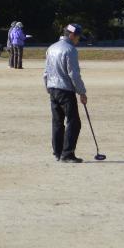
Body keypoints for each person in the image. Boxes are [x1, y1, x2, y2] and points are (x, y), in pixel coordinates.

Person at [43, 24, 88, 162]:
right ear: (72, 35)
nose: (78, 40)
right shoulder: (70, 50)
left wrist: (48, 87)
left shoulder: (51, 48)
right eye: (78, 37)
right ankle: (67, 153)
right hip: (65, 90)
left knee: (57, 121)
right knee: (74, 122)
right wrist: (82, 92)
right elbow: (74, 74)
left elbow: (46, 72)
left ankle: (57, 152)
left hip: (52, 88)